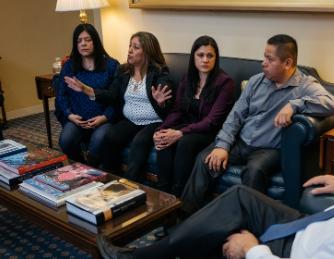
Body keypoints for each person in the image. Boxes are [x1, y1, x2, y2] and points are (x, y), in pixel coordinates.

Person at [97, 103, 334, 259]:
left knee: (227, 231)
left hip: (293, 251)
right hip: (311, 229)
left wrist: (252, 250)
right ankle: (173, 244)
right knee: (239, 197)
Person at [181, 34, 334, 214]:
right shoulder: (257, 81)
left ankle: (246, 228)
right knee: (205, 159)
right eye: (264, 56)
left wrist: (294, 105)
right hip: (241, 141)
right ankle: (187, 218)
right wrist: (223, 146)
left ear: (287, 63)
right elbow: (236, 116)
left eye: (269, 59)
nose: (263, 63)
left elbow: (331, 104)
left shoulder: (304, 85)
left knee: (254, 171)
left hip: (268, 149)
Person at [66, 32, 173, 183]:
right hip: (130, 120)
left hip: (153, 122)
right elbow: (111, 95)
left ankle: (131, 184)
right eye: (130, 46)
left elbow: (168, 108)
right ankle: (111, 179)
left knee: (139, 142)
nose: (130, 50)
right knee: (110, 137)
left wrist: (161, 102)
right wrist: (86, 89)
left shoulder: (160, 73)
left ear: (147, 52)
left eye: (135, 47)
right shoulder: (124, 71)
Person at [153, 35, 235, 196]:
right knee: (164, 137)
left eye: (210, 56)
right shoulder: (187, 78)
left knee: (185, 142)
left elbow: (212, 121)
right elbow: (177, 110)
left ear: (216, 58)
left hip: (210, 133)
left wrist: (180, 132)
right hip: (188, 127)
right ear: (194, 57)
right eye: (200, 55)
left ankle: (178, 195)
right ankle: (162, 195)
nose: (205, 60)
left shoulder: (225, 83)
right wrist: (161, 129)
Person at [56, 23, 119, 166]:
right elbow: (61, 96)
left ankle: (91, 169)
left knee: (97, 142)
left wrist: (104, 117)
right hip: (79, 120)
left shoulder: (111, 65)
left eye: (88, 40)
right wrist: (70, 115)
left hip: (103, 119)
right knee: (65, 141)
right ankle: (79, 164)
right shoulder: (69, 66)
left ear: (95, 41)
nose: (83, 44)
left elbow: (116, 99)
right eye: (79, 41)